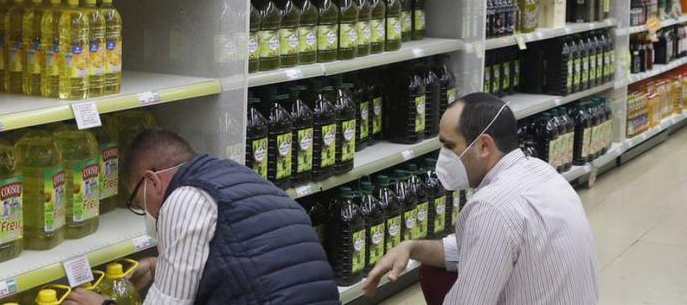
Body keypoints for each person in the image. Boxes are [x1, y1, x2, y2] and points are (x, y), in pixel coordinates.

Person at [363, 92, 599, 303]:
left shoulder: (491, 207)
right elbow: (474, 246)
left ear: (484, 146)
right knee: (434, 269)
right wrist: (411, 247)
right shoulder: (541, 172)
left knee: (438, 279)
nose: (443, 157)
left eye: (449, 146)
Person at [63, 128, 339, 305]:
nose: (147, 213)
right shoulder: (237, 177)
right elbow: (246, 259)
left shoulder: (184, 198)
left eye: (139, 202)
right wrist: (162, 266)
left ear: (152, 181)